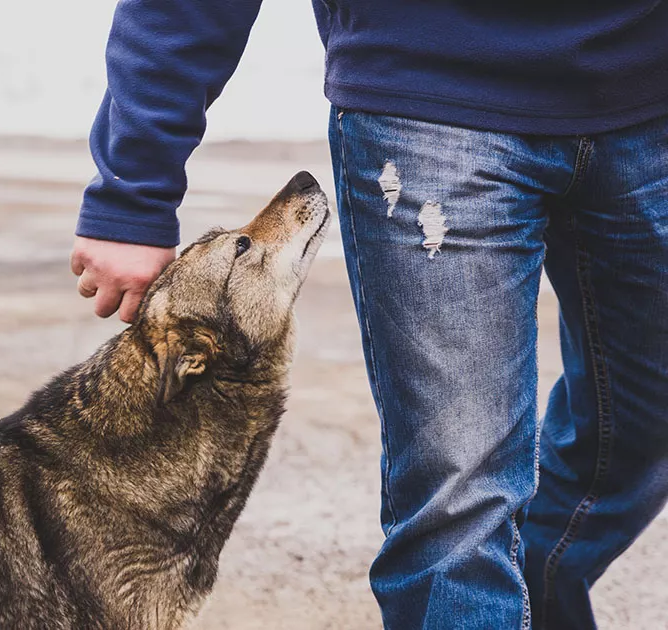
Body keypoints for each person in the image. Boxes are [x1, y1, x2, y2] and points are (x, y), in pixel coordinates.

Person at [69, 2, 668, 628]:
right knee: (458, 501)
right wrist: (133, 187)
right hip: (427, 96)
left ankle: (529, 593)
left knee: (645, 424)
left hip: (649, 86)